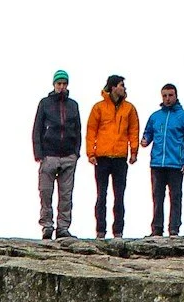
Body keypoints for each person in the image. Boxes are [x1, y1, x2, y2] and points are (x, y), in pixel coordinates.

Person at [85, 74, 139, 239]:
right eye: (121, 85)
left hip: (120, 157)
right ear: (113, 87)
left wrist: (134, 151)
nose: (124, 88)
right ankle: (100, 231)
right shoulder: (99, 108)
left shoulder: (129, 108)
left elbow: (133, 130)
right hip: (102, 157)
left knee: (119, 196)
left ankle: (118, 232)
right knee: (101, 195)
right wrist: (91, 153)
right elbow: (91, 130)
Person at [142, 83, 184, 235]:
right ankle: (157, 229)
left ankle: (174, 229)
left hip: (176, 164)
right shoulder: (155, 116)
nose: (167, 99)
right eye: (164, 96)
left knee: (175, 197)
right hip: (157, 163)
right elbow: (148, 133)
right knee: (157, 198)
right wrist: (145, 139)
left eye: (170, 95)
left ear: (176, 95)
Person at [32, 71, 81, 241]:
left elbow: (78, 129)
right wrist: (38, 153)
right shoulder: (45, 103)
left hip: (68, 155)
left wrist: (76, 153)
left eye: (64, 83)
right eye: (58, 83)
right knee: (45, 192)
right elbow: (37, 128)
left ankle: (63, 227)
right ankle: (47, 226)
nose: (61, 87)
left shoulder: (73, 105)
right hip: (49, 155)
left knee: (66, 194)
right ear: (54, 84)